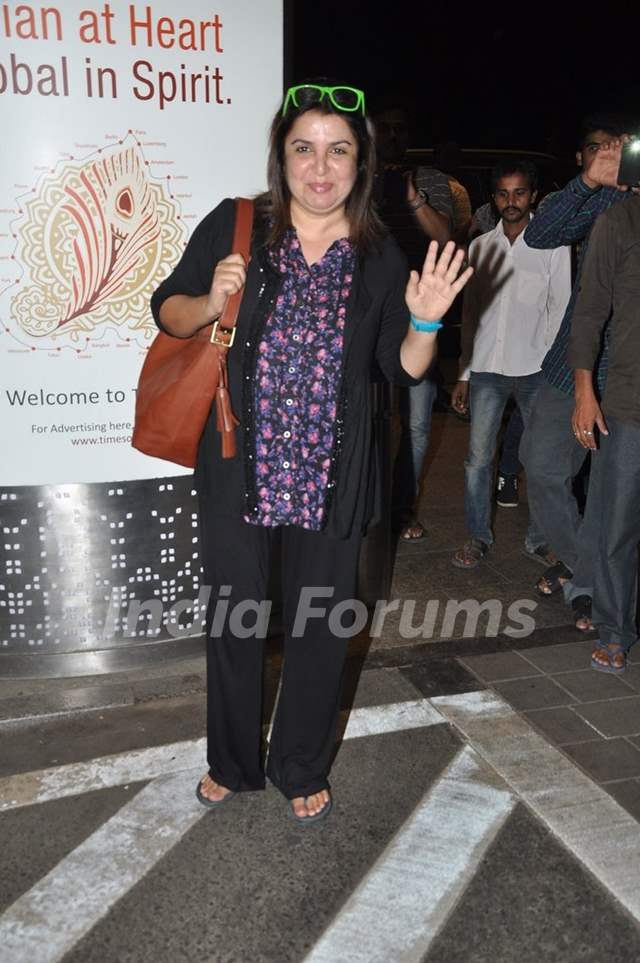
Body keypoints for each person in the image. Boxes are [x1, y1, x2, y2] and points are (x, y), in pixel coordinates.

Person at [150, 82, 472, 823]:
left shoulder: (382, 253)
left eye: (339, 151)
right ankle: (231, 758)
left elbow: (402, 368)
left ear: (361, 165)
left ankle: (300, 761)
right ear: (281, 157)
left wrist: (424, 323)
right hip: (240, 462)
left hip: (334, 471)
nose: (320, 168)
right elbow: (167, 306)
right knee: (235, 615)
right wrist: (208, 301)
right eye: (304, 148)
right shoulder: (237, 227)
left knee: (321, 624)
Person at [520, 117, 628, 630]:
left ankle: (592, 587)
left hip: (626, 375)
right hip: (570, 365)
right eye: (597, 150)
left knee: (613, 491)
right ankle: (592, 570)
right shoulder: (605, 197)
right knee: (539, 465)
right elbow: (540, 235)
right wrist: (590, 181)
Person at [450, 159, 570, 568]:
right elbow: (471, 313)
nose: (511, 201)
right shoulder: (480, 247)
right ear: (494, 198)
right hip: (486, 369)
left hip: (538, 370)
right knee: (477, 461)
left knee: (541, 460)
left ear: (532, 195)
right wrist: (464, 372)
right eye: (503, 193)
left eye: (519, 193)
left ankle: (540, 539)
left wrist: (557, 375)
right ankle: (477, 536)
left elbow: (561, 310)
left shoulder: (553, 244)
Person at [372, 102, 454, 541]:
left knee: (418, 424)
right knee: (367, 419)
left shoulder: (434, 181)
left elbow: (445, 236)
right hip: (369, 317)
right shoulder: (357, 176)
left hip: (419, 317)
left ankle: (403, 509)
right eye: (383, 127)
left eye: (399, 127)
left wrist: (411, 196)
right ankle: (370, 507)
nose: (392, 135)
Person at [568, 189, 640, 674]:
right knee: (619, 526)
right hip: (630, 403)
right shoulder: (620, 220)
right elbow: (591, 310)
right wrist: (584, 393)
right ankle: (615, 631)